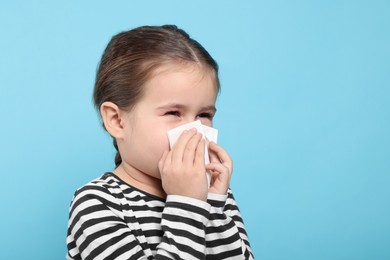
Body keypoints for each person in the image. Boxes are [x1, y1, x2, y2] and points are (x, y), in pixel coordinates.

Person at [67, 25, 254, 260]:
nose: (194, 131)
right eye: (174, 113)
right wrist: (187, 204)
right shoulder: (96, 203)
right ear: (117, 120)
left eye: (204, 115)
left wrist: (214, 204)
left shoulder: (217, 195)